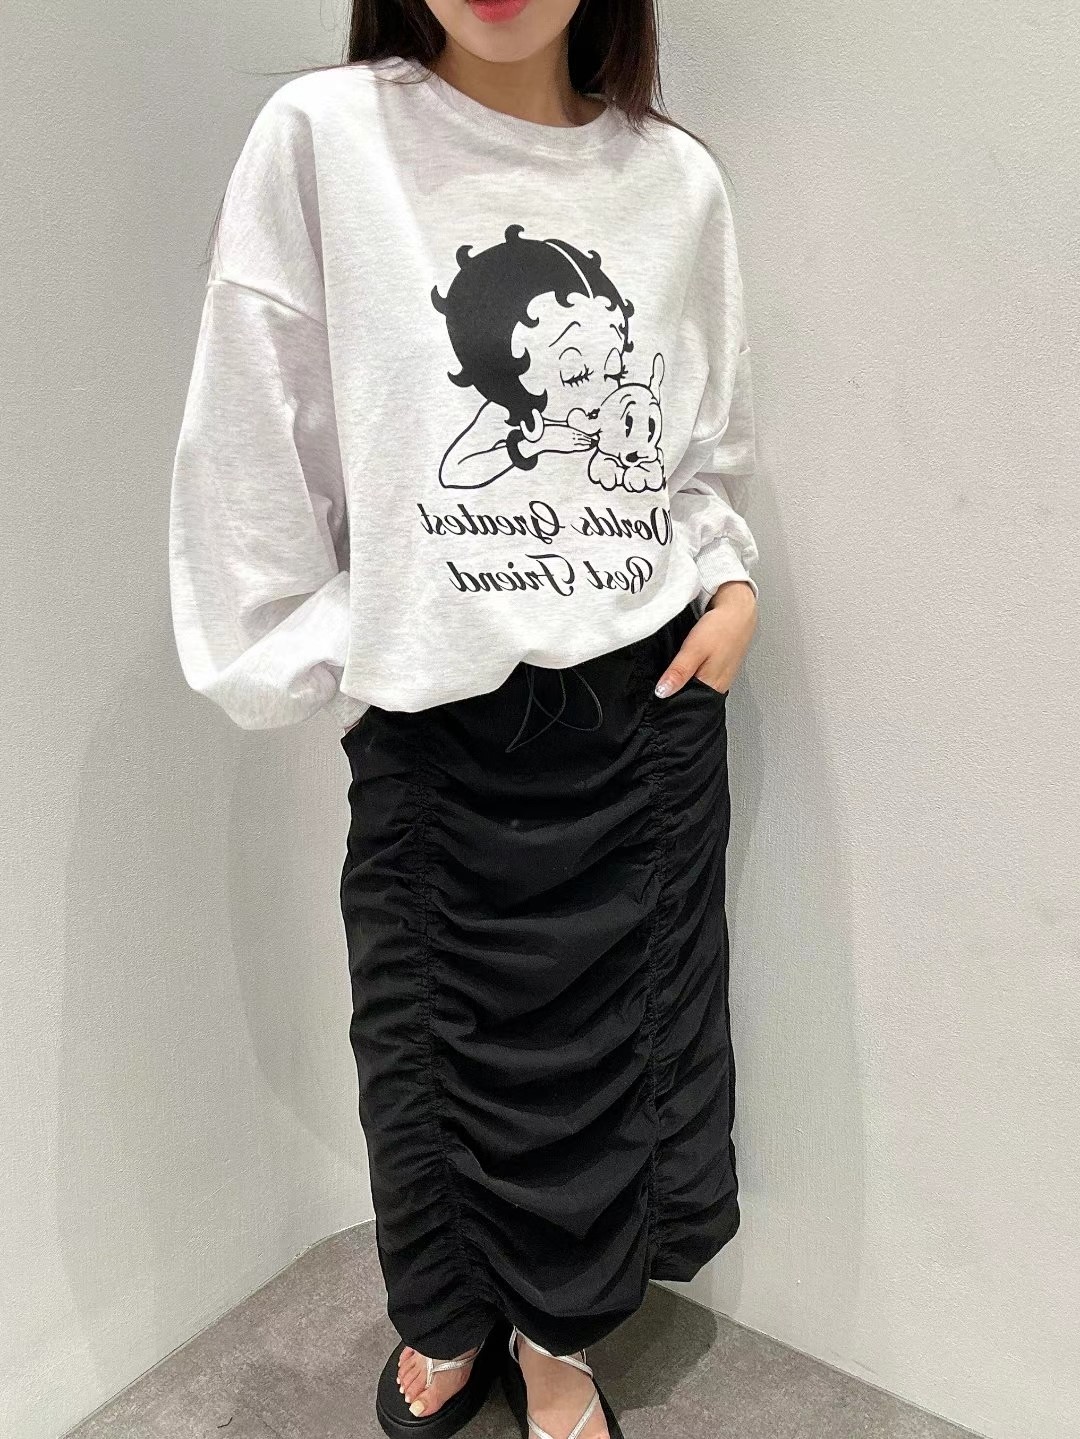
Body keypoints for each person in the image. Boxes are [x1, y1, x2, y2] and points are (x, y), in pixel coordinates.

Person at [168, 3, 760, 1437]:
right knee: (426, 1050)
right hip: (441, 734)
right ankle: (445, 1316)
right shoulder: (325, 138)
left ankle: (558, 1339)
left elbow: (697, 440)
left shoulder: (672, 180)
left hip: (642, 717)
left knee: (612, 1067)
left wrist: (728, 580)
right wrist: (345, 643)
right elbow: (255, 438)